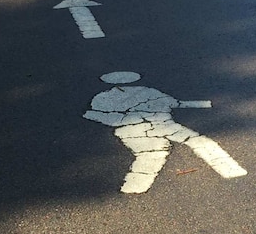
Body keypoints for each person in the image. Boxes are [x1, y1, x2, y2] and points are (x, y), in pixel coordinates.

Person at [84, 71, 247, 194]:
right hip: (150, 127)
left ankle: (137, 185)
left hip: (135, 129)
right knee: (194, 142)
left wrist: (201, 104)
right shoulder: (146, 91)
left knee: (150, 154)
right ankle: (228, 167)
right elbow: (175, 103)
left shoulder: (102, 97)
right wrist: (200, 104)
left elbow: (98, 116)